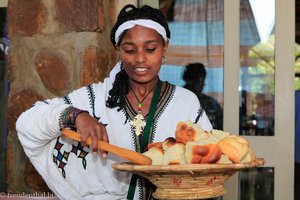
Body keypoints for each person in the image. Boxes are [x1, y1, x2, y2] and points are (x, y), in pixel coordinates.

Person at [16, 4, 212, 200]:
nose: (140, 59)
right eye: (129, 50)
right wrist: (76, 116)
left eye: (150, 49)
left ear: (164, 47)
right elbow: (27, 123)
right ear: (118, 50)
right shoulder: (94, 99)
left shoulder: (185, 103)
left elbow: (209, 162)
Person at [182, 63, 223, 130]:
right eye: (200, 80)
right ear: (189, 81)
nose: (203, 84)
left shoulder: (211, 103)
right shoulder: (176, 99)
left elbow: (221, 127)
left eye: (203, 80)